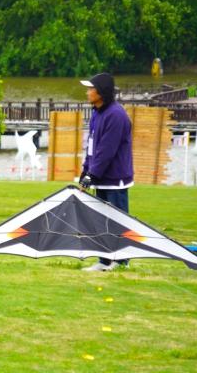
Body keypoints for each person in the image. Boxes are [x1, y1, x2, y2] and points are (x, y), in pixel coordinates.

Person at [78, 72, 133, 272]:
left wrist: (92, 175)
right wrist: (86, 171)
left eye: (90, 89)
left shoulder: (116, 115)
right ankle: (104, 261)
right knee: (101, 221)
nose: (87, 92)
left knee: (118, 220)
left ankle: (121, 261)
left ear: (101, 92)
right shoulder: (97, 113)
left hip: (115, 179)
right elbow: (92, 147)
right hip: (100, 177)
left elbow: (107, 150)